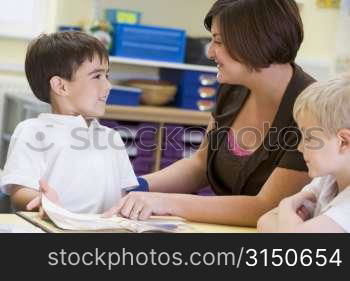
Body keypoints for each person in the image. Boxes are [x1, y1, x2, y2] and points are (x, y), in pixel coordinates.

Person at [103, 0, 316, 226]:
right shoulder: (234, 87)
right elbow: (200, 165)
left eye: (219, 41)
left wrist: (165, 202)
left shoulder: (313, 110)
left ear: (256, 42)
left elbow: (266, 206)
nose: (210, 52)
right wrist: (134, 186)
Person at [0, 31, 139, 215]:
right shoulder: (32, 132)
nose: (108, 86)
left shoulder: (111, 137)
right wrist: (42, 201)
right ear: (61, 86)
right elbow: (19, 191)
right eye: (97, 76)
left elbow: (122, 195)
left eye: (107, 76)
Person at [257, 75, 350, 233]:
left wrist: (286, 205)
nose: (299, 148)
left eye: (309, 138)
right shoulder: (326, 180)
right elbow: (264, 221)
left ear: (344, 142)